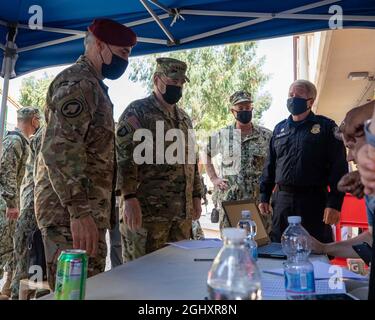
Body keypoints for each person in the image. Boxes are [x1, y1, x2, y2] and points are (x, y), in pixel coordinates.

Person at [34, 18, 136, 290]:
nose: (125, 60)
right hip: (70, 216)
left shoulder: (92, 85)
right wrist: (79, 212)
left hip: (84, 212)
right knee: (74, 292)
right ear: (100, 45)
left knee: (87, 290)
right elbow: (60, 149)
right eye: (122, 52)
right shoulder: (79, 83)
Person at [116, 57, 202, 262]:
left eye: (181, 83)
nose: (178, 87)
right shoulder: (138, 111)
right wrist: (128, 198)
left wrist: (197, 195)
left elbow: (192, 159)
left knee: (175, 277)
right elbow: (123, 156)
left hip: (180, 218)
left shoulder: (184, 118)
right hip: (147, 217)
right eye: (173, 83)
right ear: (157, 80)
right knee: (143, 279)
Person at [259, 80, 348, 243]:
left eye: (298, 95)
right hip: (282, 201)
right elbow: (270, 165)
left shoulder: (326, 127)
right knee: (279, 246)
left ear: (311, 101)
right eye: (290, 95)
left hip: (313, 201)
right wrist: (264, 195)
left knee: (315, 249)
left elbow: (339, 167)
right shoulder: (279, 129)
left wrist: (334, 203)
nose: (293, 99)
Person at [204, 90, 272, 232]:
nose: (244, 111)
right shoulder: (223, 135)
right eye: (240, 109)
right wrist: (214, 178)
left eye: (247, 108)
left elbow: (276, 162)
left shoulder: (266, 136)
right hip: (231, 201)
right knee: (231, 244)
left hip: (258, 202)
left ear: (252, 109)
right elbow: (205, 153)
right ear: (233, 111)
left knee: (261, 242)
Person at [0, 107, 40, 299]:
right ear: (33, 120)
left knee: (12, 252)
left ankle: (6, 290)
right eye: (37, 119)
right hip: (6, 207)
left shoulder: (22, 141)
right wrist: (11, 203)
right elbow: (6, 171)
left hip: (12, 205)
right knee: (3, 251)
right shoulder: (15, 140)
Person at [11, 125, 44, 299]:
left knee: (33, 263)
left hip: (33, 207)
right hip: (32, 209)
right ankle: (17, 295)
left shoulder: (37, 137)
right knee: (27, 262)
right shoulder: (42, 136)